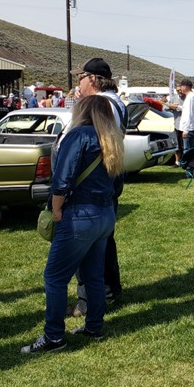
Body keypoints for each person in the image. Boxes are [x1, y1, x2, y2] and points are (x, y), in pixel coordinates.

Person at [21, 95, 124, 354]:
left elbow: (62, 179)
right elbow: (118, 185)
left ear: (83, 111)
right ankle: (94, 326)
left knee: (54, 276)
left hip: (80, 215)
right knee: (93, 274)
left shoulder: (78, 136)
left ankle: (54, 336)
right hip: (105, 214)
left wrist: (56, 210)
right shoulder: (112, 140)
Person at [67, 57, 127, 314]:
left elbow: (89, 142)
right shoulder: (112, 102)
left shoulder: (103, 104)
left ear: (92, 78)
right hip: (106, 177)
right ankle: (109, 289)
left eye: (80, 76)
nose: (77, 81)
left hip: (96, 181)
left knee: (94, 240)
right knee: (104, 237)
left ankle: (99, 293)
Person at [178, 79, 194, 166]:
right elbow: (187, 109)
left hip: (189, 128)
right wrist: (178, 107)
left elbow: (189, 113)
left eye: (181, 87)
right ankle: (193, 167)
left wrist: (186, 129)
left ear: (185, 86)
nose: (181, 89)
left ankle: (189, 168)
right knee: (191, 150)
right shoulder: (192, 96)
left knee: (187, 151)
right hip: (193, 127)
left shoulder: (190, 97)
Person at [166, 85, 186, 164]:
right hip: (177, 125)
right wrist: (171, 106)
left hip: (186, 125)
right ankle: (177, 161)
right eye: (178, 90)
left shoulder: (187, 98)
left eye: (180, 90)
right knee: (177, 144)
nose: (179, 92)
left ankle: (185, 160)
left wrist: (178, 107)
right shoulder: (174, 98)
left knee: (185, 144)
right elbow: (165, 107)